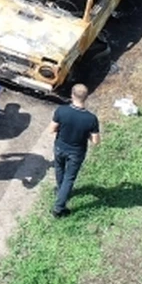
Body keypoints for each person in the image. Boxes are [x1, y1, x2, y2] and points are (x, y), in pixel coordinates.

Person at [48, 84, 100, 217]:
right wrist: (85, 133)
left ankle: (61, 192)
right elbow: (95, 141)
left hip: (60, 147)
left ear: (72, 95)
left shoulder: (61, 110)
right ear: (86, 97)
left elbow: (52, 129)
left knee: (59, 169)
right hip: (76, 152)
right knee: (69, 178)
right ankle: (59, 208)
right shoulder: (91, 118)